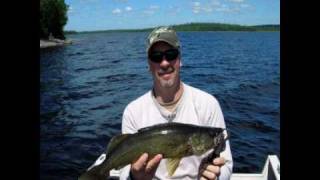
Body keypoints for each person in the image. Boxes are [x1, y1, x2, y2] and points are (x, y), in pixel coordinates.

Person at [119, 26, 233, 180]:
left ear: (180, 59)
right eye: (156, 57)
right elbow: (124, 172)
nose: (164, 63)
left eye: (171, 54)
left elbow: (226, 165)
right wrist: (135, 177)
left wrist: (216, 176)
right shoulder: (133, 112)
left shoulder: (208, 104)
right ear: (149, 64)